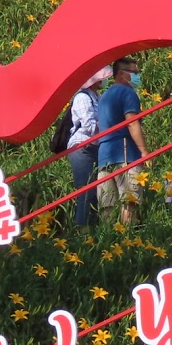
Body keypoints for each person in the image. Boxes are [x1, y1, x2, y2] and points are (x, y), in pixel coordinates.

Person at [96, 57, 147, 227]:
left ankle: (108, 240)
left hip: (104, 156)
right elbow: (132, 122)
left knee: (107, 206)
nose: (137, 76)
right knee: (129, 201)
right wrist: (144, 151)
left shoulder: (104, 96)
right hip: (125, 154)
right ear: (121, 74)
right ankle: (128, 238)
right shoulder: (128, 93)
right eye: (134, 72)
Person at [67, 68, 109, 228]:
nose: (103, 80)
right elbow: (89, 126)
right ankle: (82, 230)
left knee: (96, 192)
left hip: (95, 147)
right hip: (82, 147)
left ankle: (92, 229)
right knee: (86, 191)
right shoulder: (82, 97)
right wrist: (109, 127)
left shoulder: (98, 97)